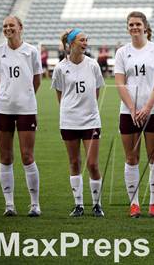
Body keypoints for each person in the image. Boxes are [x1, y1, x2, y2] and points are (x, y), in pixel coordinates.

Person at [115, 11, 154, 218]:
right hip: (128, 112)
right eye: (131, 25)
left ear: (145, 27)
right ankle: (134, 204)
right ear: (127, 27)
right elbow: (119, 82)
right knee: (131, 158)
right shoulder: (122, 52)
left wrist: (147, 107)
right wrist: (132, 108)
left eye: (138, 24)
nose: (134, 28)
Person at [0, 15, 42, 217]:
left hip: (27, 109)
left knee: (27, 156)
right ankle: (9, 205)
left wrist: (24, 97)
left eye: (11, 25)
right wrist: (6, 96)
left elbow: (36, 80)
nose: (8, 28)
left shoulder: (31, 51)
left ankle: (35, 204)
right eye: (5, 26)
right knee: (5, 156)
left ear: (20, 28)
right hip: (3, 109)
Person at [51, 28, 105, 217]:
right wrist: (70, 110)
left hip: (90, 120)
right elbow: (60, 94)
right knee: (74, 162)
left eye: (86, 40)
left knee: (92, 164)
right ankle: (79, 204)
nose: (85, 43)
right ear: (71, 43)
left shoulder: (93, 65)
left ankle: (97, 204)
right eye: (82, 40)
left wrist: (88, 109)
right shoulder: (60, 68)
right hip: (69, 121)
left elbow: (97, 90)